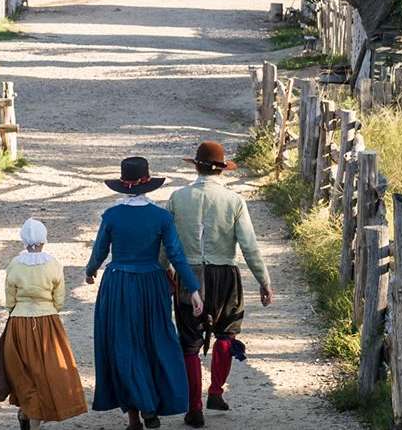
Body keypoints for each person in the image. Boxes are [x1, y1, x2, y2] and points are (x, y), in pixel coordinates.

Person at [85, 157, 203, 430]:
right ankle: (152, 405)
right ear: (148, 184)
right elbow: (176, 255)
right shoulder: (161, 217)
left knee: (124, 345)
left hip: (119, 284)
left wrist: (90, 271)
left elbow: (100, 250)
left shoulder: (112, 216)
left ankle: (135, 416)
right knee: (154, 343)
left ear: (123, 186)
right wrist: (193, 289)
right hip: (152, 284)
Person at [166, 141, 273, 427]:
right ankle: (215, 391)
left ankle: (195, 407)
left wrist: (164, 272)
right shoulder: (234, 201)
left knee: (189, 341)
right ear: (221, 170)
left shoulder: (178, 198)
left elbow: (167, 242)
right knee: (226, 332)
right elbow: (249, 246)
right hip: (225, 273)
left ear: (196, 166)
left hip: (189, 275)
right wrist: (263, 279)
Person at [0, 218, 88, 428]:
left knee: (23, 370)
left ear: (24, 240)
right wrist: (50, 310)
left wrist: (16, 311)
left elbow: (10, 299)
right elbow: (60, 299)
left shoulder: (15, 264)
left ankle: (27, 412)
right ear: (44, 240)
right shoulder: (53, 264)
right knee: (46, 371)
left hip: (19, 321)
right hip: (47, 321)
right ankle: (33, 416)